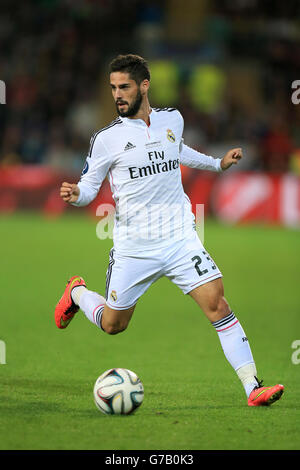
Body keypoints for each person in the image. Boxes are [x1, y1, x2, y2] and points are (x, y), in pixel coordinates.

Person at [55, 54, 284, 407]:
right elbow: (89, 186)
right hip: (134, 247)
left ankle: (253, 387)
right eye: (113, 88)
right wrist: (76, 195)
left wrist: (216, 164)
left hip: (179, 238)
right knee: (114, 325)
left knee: (217, 304)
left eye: (124, 87)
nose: (118, 94)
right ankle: (77, 294)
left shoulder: (171, 119)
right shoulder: (106, 139)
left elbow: (177, 151)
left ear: (144, 86)